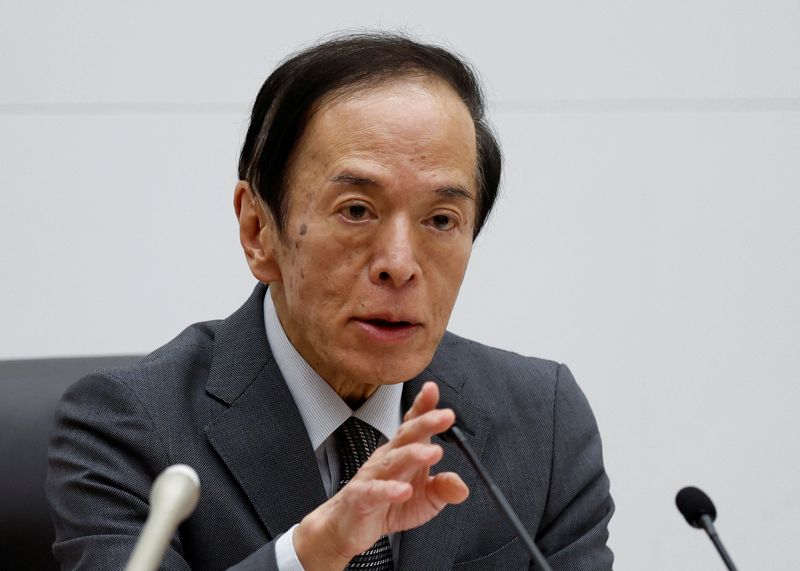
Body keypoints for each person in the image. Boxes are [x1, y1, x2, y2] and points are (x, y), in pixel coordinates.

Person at [46, 32, 614, 570]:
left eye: (441, 220)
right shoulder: (129, 429)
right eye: (357, 210)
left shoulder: (542, 424)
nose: (399, 263)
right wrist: (317, 549)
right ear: (258, 230)